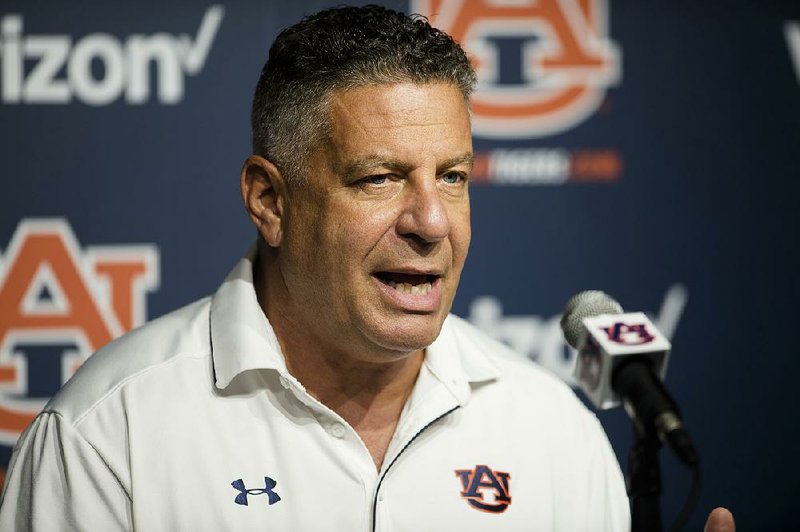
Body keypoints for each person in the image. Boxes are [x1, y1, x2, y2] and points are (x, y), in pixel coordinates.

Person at [0, 5, 732, 531]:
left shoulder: (551, 434)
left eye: (452, 176)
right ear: (270, 201)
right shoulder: (106, 437)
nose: (431, 222)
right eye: (379, 178)